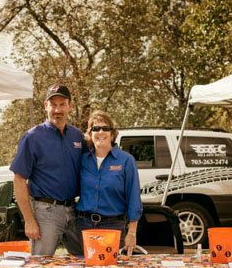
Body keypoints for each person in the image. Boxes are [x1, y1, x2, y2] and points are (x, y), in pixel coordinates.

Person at [10, 84, 84, 255]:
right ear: (46, 106)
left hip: (74, 211)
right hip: (46, 213)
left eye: (62, 104)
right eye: (53, 105)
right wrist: (29, 220)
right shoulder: (32, 137)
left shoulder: (77, 136)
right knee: (40, 266)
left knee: (86, 262)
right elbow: (19, 179)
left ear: (70, 106)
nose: (58, 110)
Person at [76, 110, 142, 256]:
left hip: (113, 226)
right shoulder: (82, 160)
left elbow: (133, 197)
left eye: (105, 128)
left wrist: (132, 232)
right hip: (84, 226)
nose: (101, 132)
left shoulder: (126, 161)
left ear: (112, 134)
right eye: (96, 128)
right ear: (90, 134)